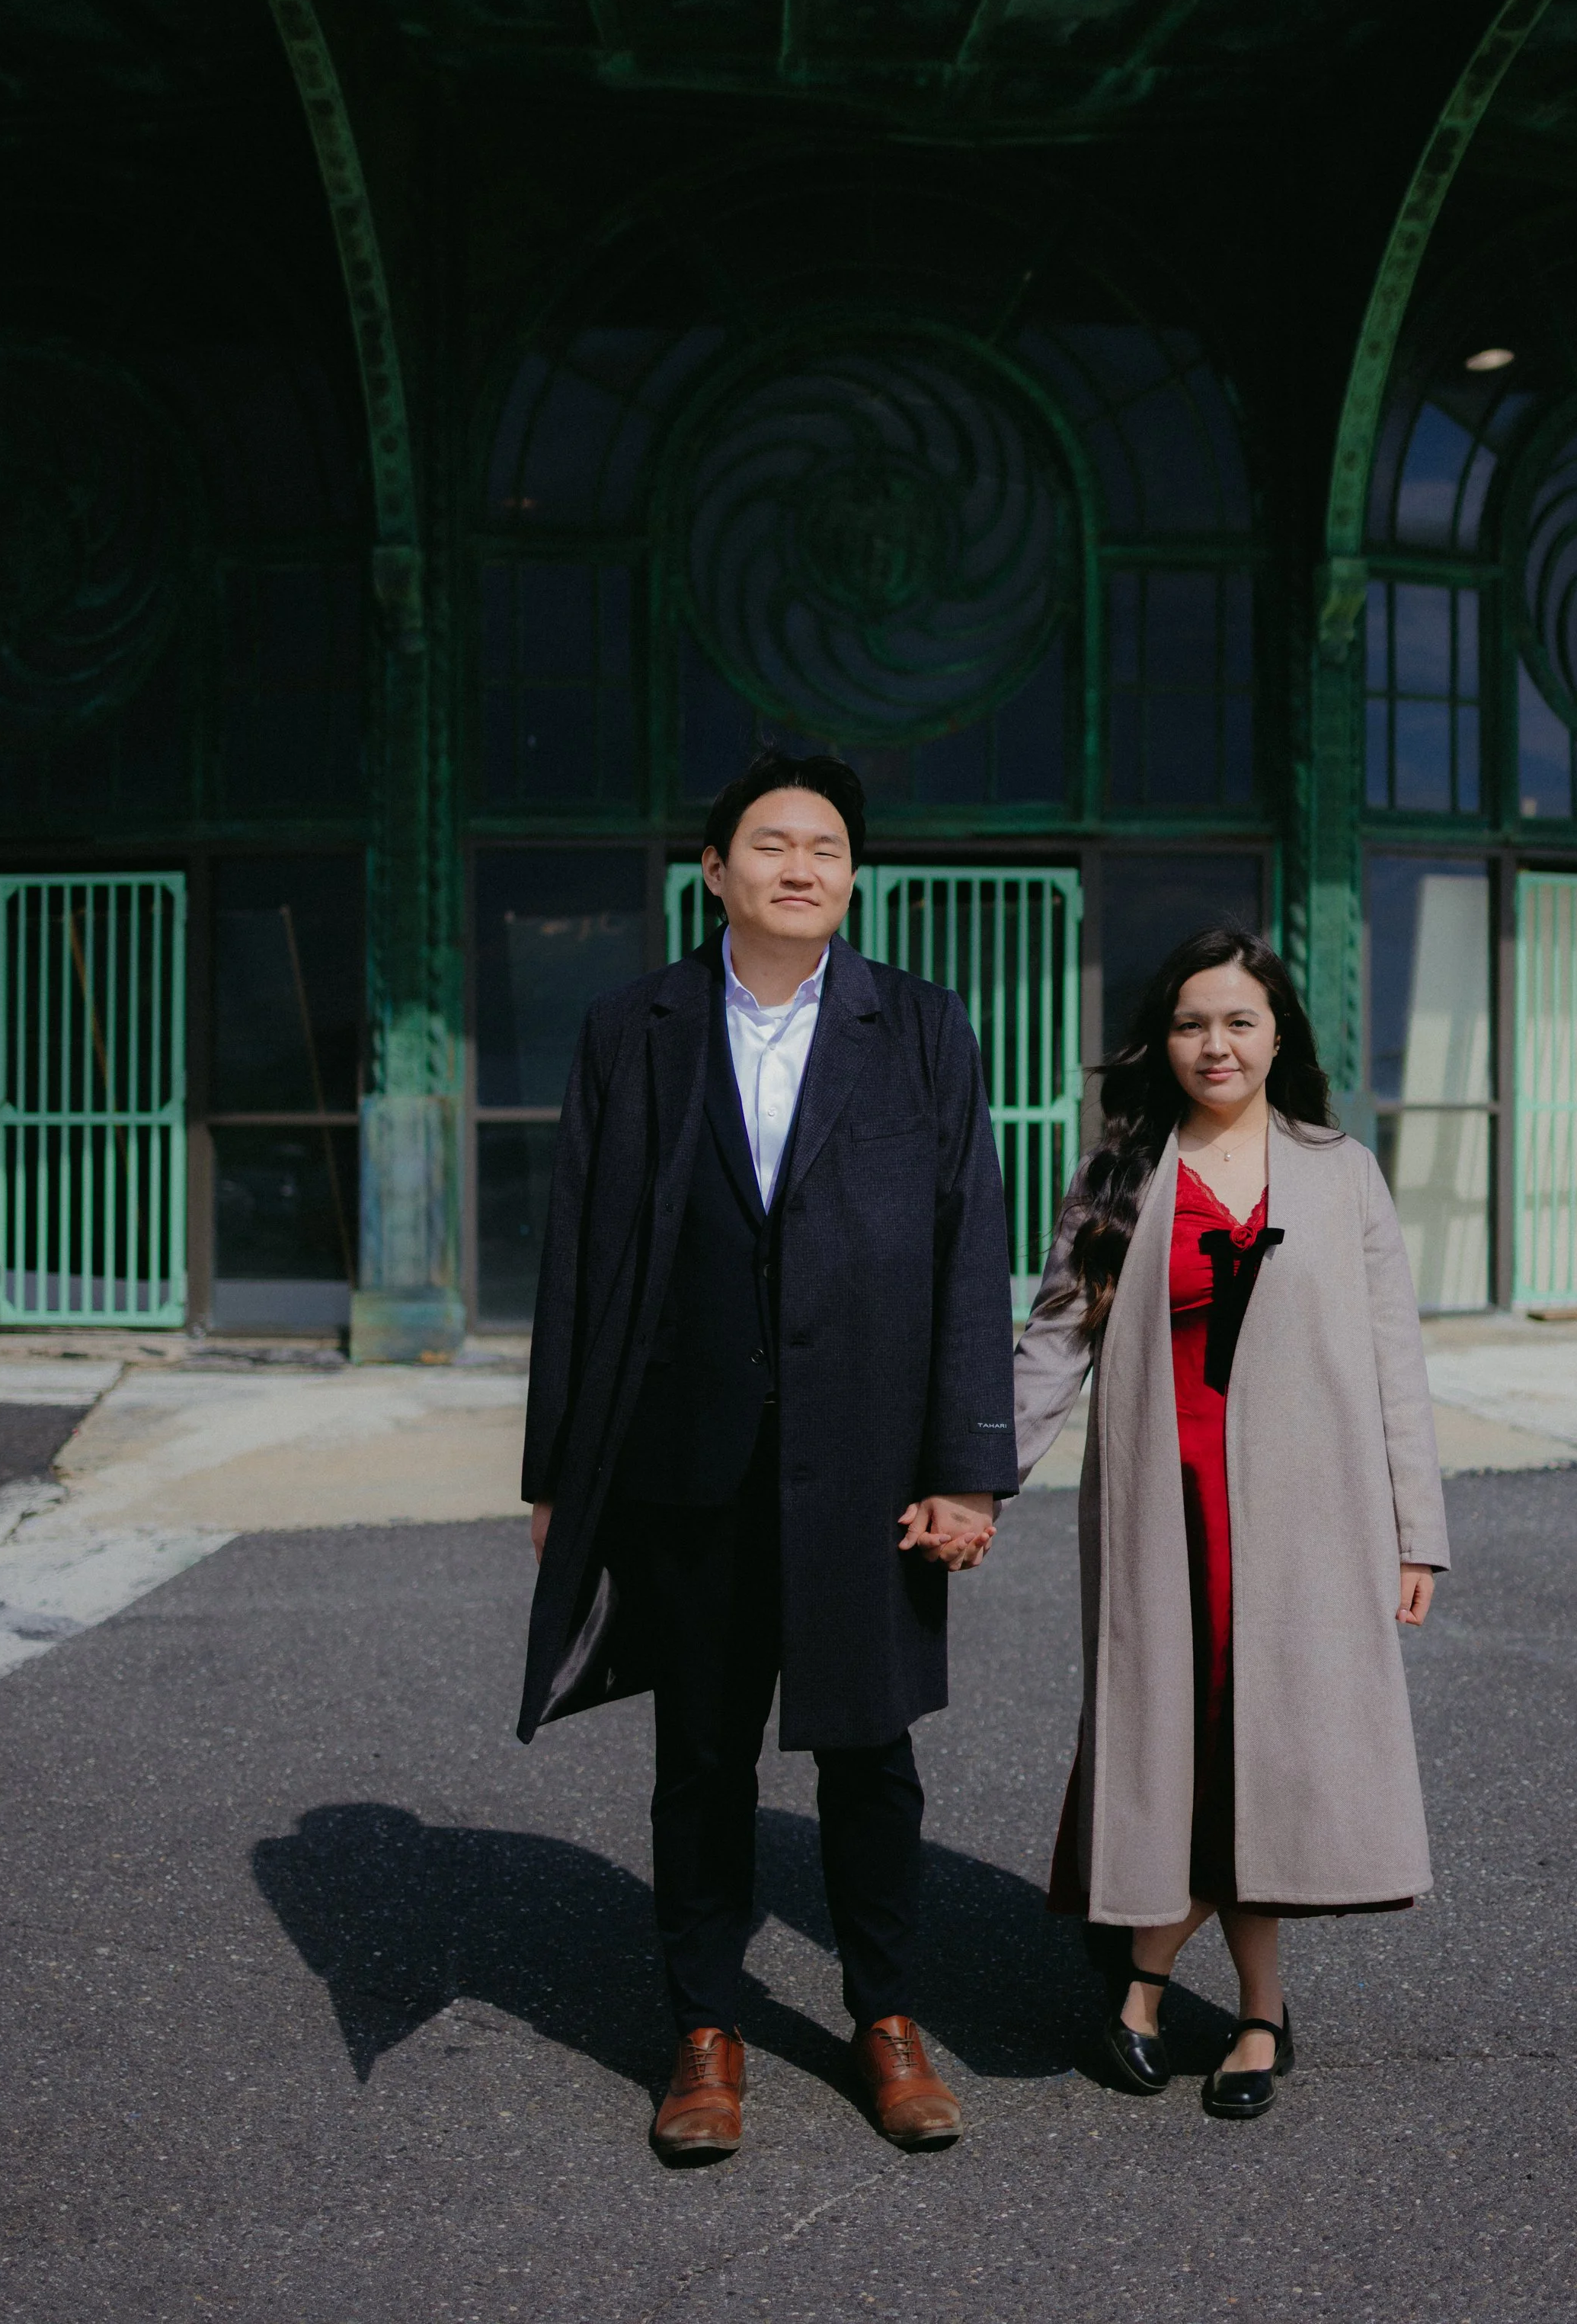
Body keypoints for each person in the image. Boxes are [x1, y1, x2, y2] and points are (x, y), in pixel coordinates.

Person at [517, 751, 1018, 2162]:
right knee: (701, 1756)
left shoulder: (915, 1024)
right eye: (773, 843)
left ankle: (887, 2016)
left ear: (851, 880)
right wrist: (559, 1470)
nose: (803, 866)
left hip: (870, 1457)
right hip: (691, 1457)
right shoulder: (637, 1026)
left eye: (829, 849)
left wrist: (970, 1463)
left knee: (872, 1754)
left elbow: (964, 1244)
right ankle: (702, 2028)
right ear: (716, 871)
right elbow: (581, 1257)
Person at [1011, 924, 1448, 2120]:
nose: (1218, 1043)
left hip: (1310, 1516)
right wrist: (973, 1477)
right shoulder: (1119, 1177)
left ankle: (1236, 2005)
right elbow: (1052, 1346)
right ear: (1163, 1041)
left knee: (1272, 1749)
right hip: (1166, 1504)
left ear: (1278, 1034)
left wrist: (1418, 1528)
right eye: (1194, 1022)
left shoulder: (1338, 1170)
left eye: (1241, 1020)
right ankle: (1174, 1987)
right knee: (1183, 1743)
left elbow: (1393, 1361)